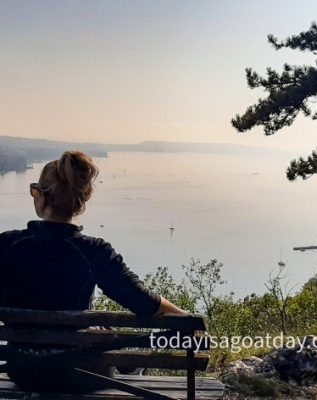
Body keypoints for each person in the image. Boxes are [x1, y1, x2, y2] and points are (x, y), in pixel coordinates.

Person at [0, 150, 188, 393]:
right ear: (81, 202)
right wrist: (188, 320)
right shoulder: (95, 251)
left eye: (35, 191)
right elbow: (144, 303)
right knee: (125, 362)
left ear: (43, 198)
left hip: (23, 371)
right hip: (78, 373)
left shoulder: (7, 245)